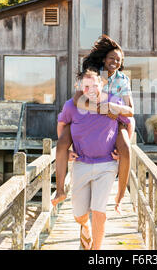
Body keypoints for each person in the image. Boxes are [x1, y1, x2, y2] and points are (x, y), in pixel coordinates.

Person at [52, 35, 135, 216]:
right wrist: (105, 109)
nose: (114, 62)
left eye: (118, 60)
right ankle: (59, 190)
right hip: (86, 117)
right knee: (62, 143)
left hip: (113, 119)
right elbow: (78, 100)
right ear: (104, 59)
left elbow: (130, 110)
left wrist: (114, 108)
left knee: (127, 148)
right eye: (111, 58)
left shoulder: (123, 80)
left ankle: (120, 197)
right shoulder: (94, 73)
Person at [55, 68, 130, 250]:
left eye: (94, 85)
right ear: (80, 86)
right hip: (81, 163)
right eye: (86, 86)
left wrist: (123, 148)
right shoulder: (71, 106)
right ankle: (85, 226)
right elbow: (62, 125)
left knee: (99, 211)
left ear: (101, 85)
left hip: (107, 164)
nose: (90, 89)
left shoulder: (112, 101)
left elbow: (128, 122)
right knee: (79, 214)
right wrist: (68, 150)